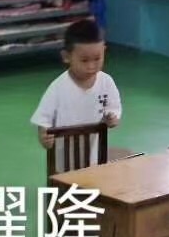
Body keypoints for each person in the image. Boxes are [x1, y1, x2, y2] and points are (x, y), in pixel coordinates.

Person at [30, 17, 121, 169]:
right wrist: (44, 136)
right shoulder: (58, 87)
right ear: (66, 57)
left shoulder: (106, 82)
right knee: (70, 178)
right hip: (64, 158)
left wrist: (112, 118)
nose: (91, 66)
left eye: (97, 58)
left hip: (95, 154)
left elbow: (113, 108)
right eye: (84, 60)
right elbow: (44, 119)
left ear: (104, 51)